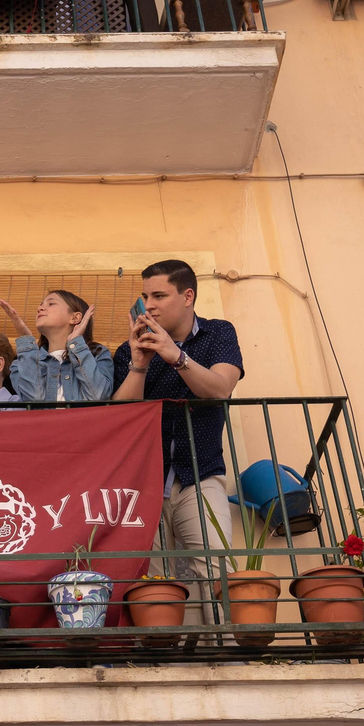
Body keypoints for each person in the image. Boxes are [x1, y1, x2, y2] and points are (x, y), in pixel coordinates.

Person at [112, 260, 244, 622]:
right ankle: (160, 662)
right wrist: (139, 363)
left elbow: (220, 389)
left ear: (188, 296)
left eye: (159, 295)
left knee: (215, 567)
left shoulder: (218, 333)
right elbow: (120, 416)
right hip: (145, 481)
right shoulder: (129, 350)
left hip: (199, 473)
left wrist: (175, 356)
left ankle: (228, 653)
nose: (149, 305)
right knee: (151, 580)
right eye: (145, 297)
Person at [0, 290, 114, 402]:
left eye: (51, 304)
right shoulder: (21, 363)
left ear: (75, 318)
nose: (39, 308)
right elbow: (34, 401)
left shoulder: (98, 354)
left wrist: (76, 344)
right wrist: (25, 338)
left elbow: (98, 397)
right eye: (41, 305)